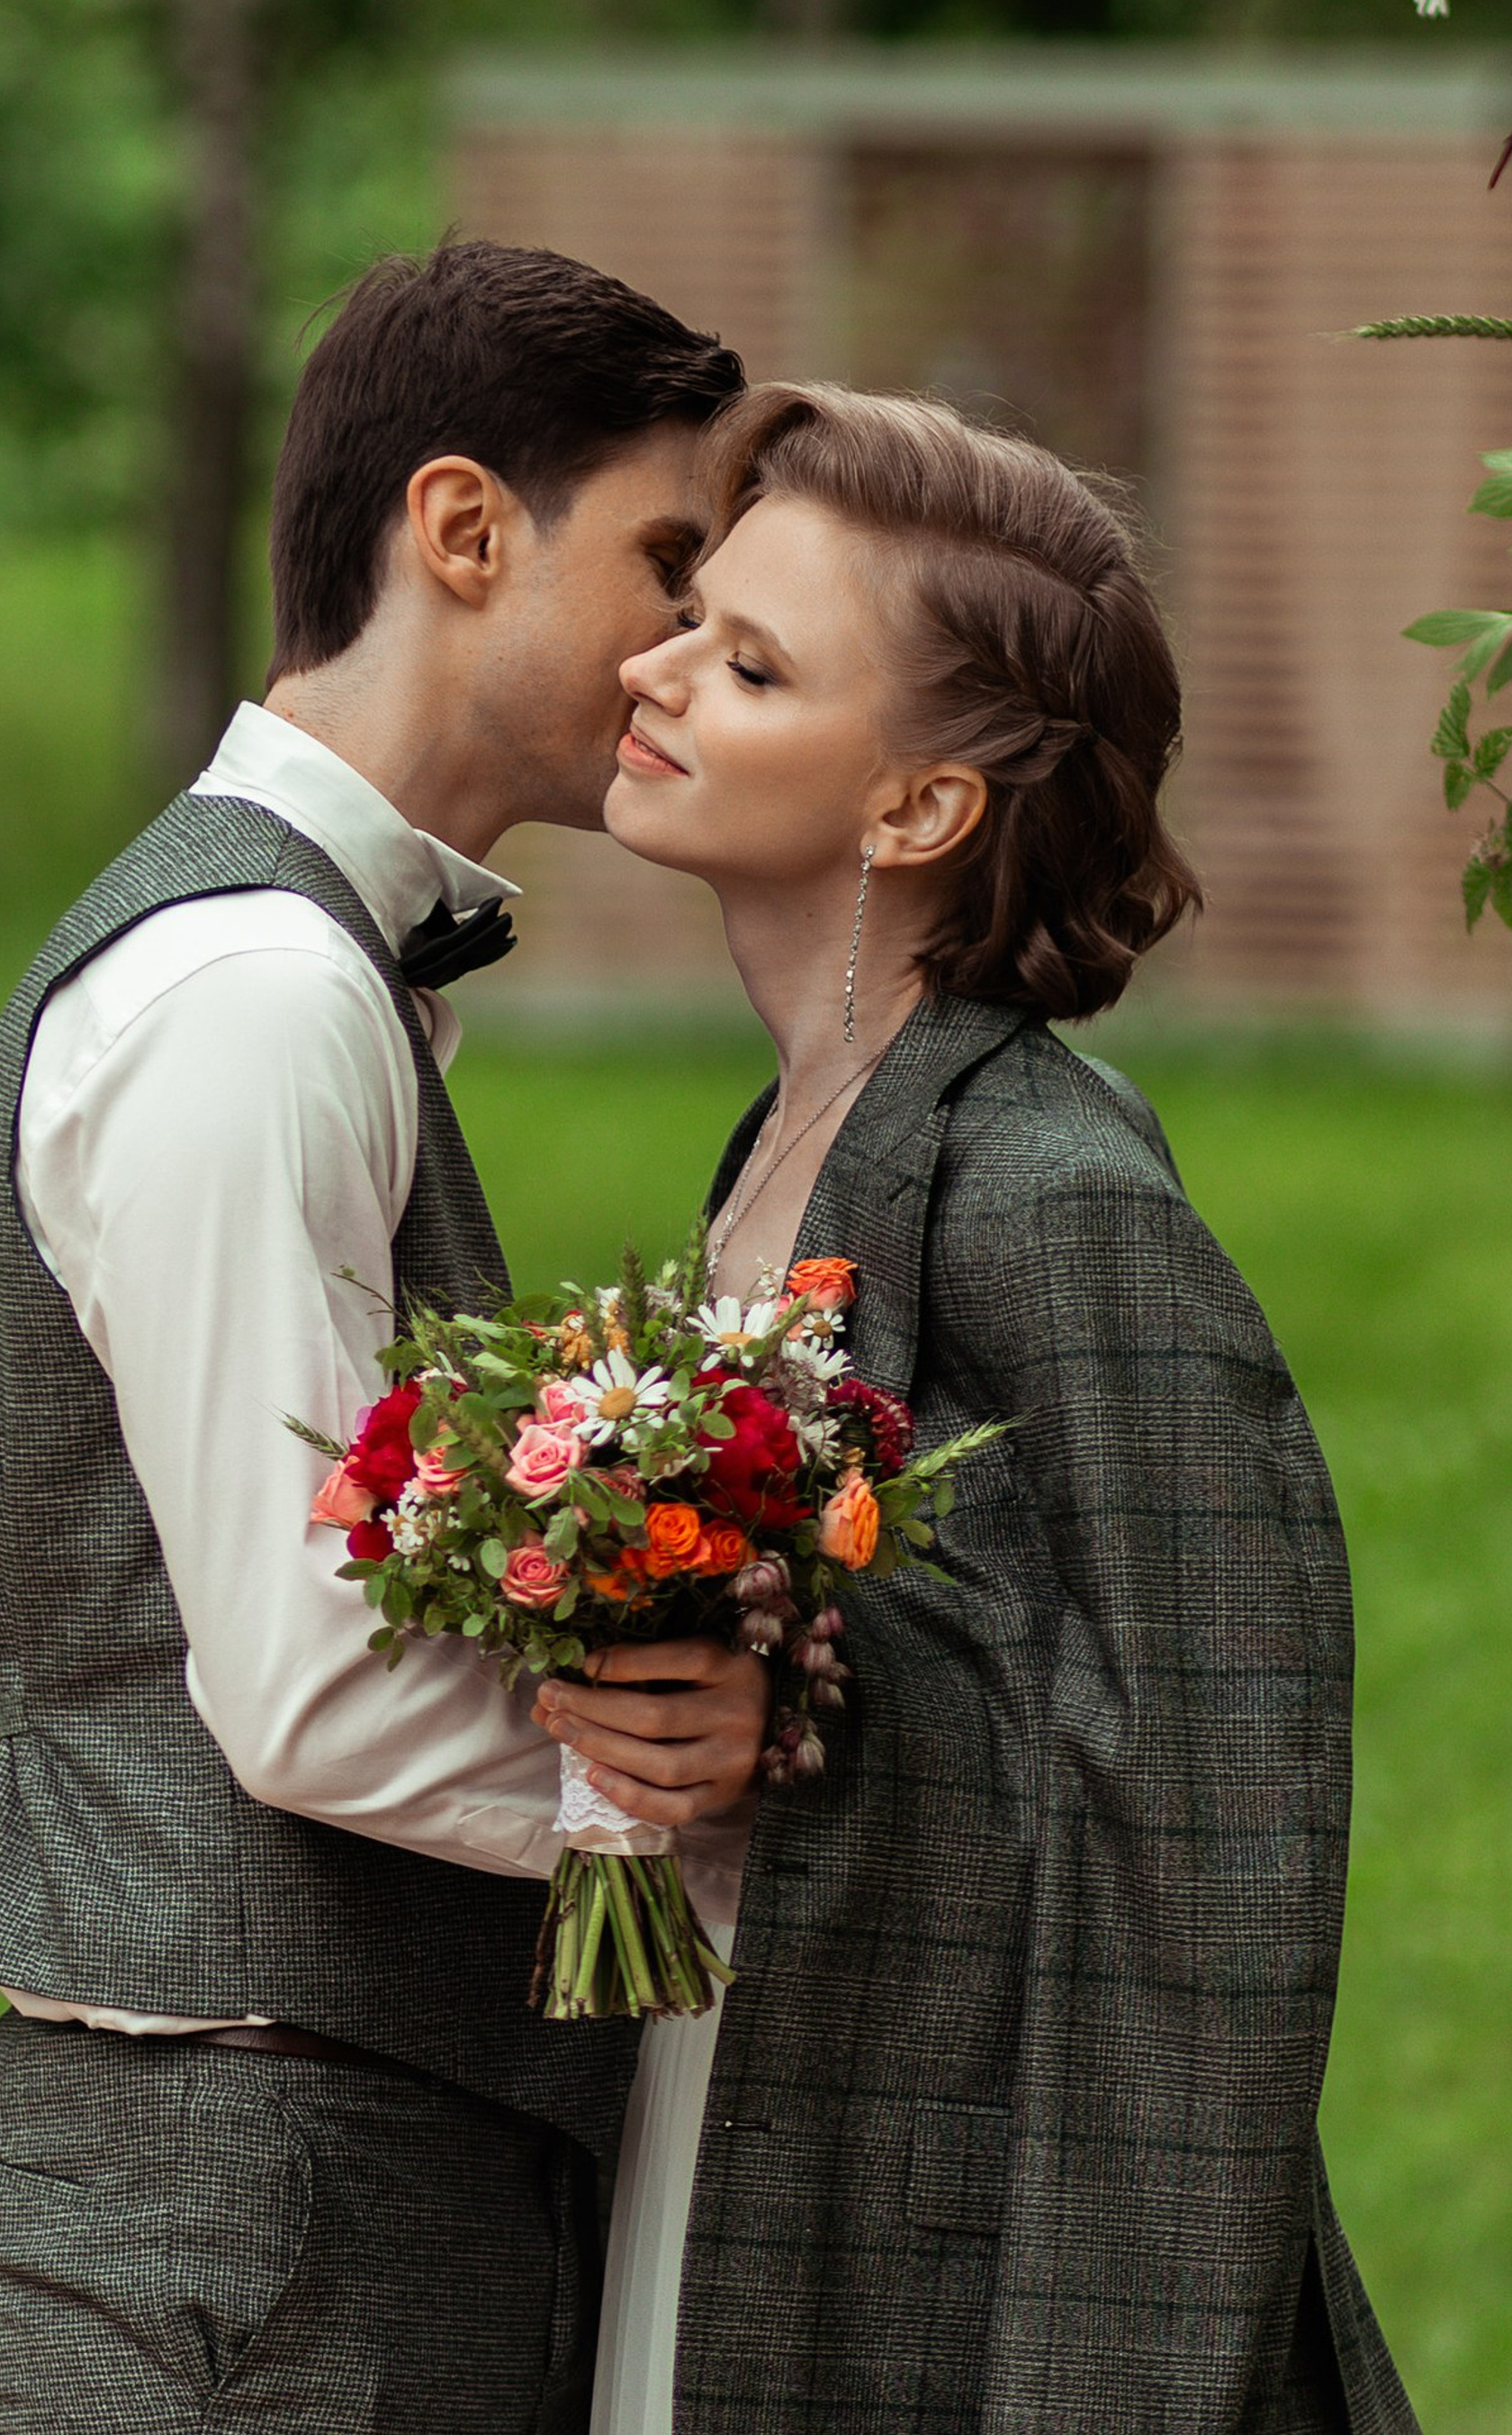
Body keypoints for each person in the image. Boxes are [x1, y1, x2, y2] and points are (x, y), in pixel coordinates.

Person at [0, 241, 771, 2435]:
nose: (687, 649)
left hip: (299, 2163)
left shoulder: (302, 971)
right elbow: (311, 1690)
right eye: (666, 566)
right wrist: (712, 1838)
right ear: (461, 528)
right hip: (263, 2196)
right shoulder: (253, 996)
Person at [542, 379, 1416, 2435]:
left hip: (949, 2250)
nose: (653, 669)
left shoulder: (1055, 1193)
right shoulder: (788, 1136)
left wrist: (807, 1718)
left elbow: (1220, 1825)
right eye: (689, 614)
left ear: (917, 811)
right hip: (736, 2103)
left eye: (749, 664)